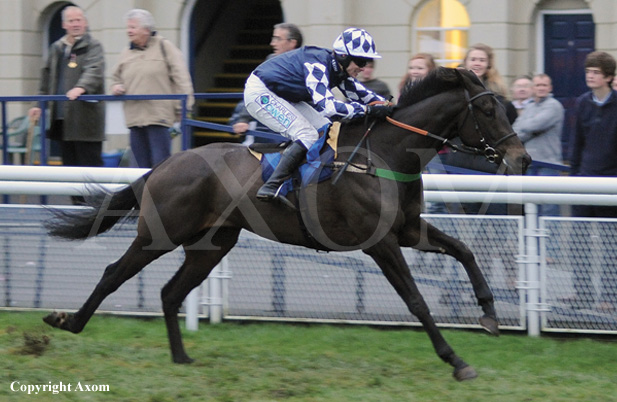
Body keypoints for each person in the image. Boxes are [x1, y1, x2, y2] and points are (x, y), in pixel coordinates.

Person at [244, 27, 392, 207]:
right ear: (344, 56)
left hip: (284, 95)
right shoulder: (317, 65)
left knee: (325, 129)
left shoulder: (340, 70)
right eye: (361, 61)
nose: (363, 67)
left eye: (367, 61)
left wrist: (391, 107)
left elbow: (366, 96)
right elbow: (329, 107)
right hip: (261, 93)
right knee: (307, 134)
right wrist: (368, 111)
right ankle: (272, 185)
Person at [111, 9, 194, 168]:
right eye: (128, 27)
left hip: (159, 117)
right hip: (134, 118)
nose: (129, 31)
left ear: (146, 29)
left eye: (133, 27)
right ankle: (142, 193)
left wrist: (184, 107)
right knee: (138, 168)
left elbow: (182, 77)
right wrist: (115, 86)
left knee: (160, 164)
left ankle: (159, 194)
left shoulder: (165, 47)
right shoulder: (125, 53)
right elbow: (115, 77)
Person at [566, 51, 617, 312]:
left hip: (610, 184)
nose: (590, 75)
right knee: (580, 241)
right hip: (583, 180)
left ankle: (609, 295)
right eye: (588, 71)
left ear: (609, 77)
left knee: (610, 243)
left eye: (596, 72)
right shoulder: (583, 102)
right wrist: (574, 178)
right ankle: (583, 292)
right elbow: (577, 143)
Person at [29, 6, 105, 179]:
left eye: (79, 20)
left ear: (85, 23)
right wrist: (38, 105)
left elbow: (94, 70)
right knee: (69, 170)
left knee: (91, 170)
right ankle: (75, 206)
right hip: (62, 121)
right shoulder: (57, 48)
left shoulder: (93, 46)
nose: (75, 24)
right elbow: (46, 80)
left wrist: (81, 87)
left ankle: (95, 207)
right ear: (64, 24)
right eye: (71, 21)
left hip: (86, 121)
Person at [230, 23, 303, 143]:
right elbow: (255, 91)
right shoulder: (271, 62)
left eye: (278, 39)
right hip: (271, 128)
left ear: (292, 43)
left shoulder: (305, 64)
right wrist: (243, 119)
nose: (272, 43)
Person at [512, 73, 564, 216]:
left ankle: (551, 239)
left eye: (544, 85)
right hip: (530, 163)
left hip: (549, 164)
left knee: (549, 208)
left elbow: (534, 125)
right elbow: (516, 129)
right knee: (531, 207)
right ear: (533, 88)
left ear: (550, 88)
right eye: (538, 85)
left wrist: (526, 129)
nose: (541, 88)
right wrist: (527, 129)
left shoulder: (554, 106)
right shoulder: (529, 107)